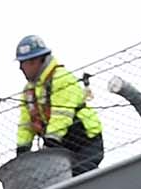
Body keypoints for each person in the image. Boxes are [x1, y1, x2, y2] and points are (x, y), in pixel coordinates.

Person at [12, 35, 107, 177]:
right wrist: (22, 150)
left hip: (85, 141)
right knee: (63, 180)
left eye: (23, 63)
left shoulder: (61, 78)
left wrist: (49, 145)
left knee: (81, 177)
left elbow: (62, 115)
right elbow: (25, 124)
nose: (20, 68)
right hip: (60, 145)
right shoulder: (29, 91)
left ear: (36, 60)